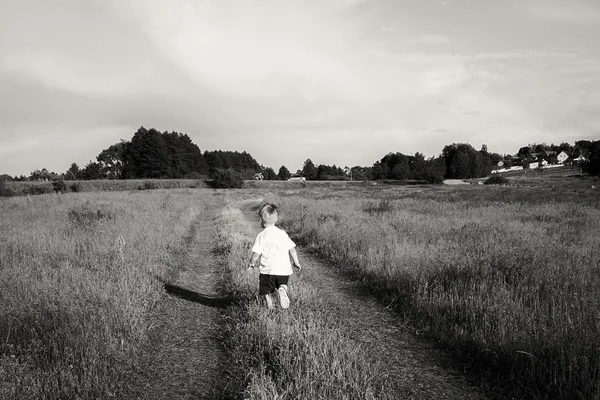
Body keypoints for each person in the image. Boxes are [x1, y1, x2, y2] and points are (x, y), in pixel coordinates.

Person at [247, 202, 301, 309]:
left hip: (267, 270)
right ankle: (282, 290)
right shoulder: (283, 233)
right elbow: (292, 249)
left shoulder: (261, 235)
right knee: (283, 284)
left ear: (261, 220)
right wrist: (296, 262)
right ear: (276, 219)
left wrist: (251, 265)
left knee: (266, 291)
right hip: (283, 269)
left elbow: (256, 254)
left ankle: (269, 307)